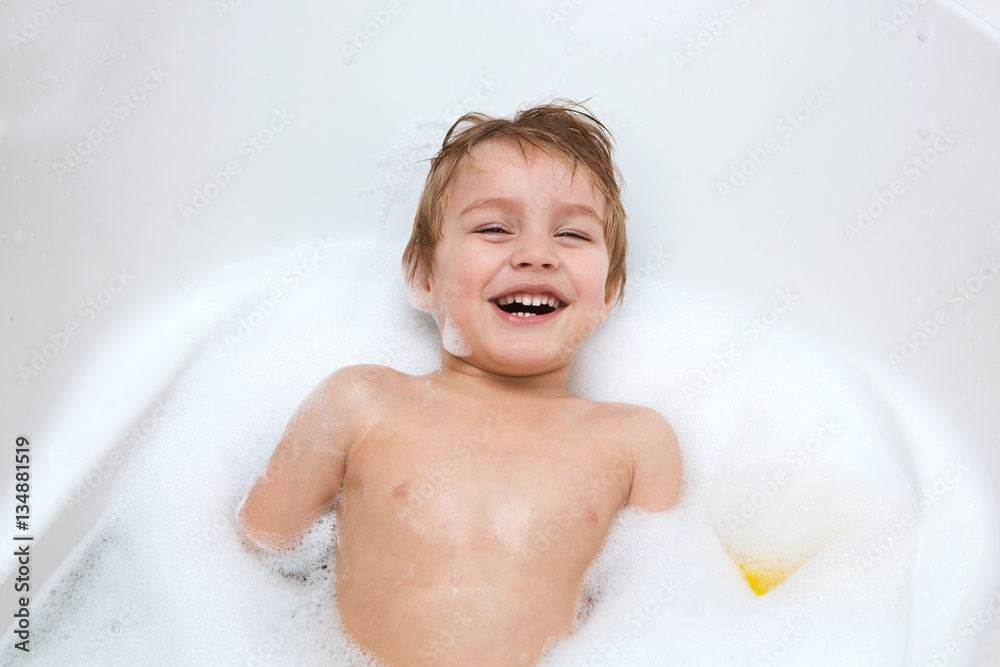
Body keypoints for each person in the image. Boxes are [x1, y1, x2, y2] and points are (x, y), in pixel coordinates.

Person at [240, 99, 683, 666]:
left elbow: (663, 616)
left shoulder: (636, 441)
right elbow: (252, 559)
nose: (537, 255)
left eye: (572, 234)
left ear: (609, 292)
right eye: (495, 228)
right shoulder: (361, 403)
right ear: (424, 275)